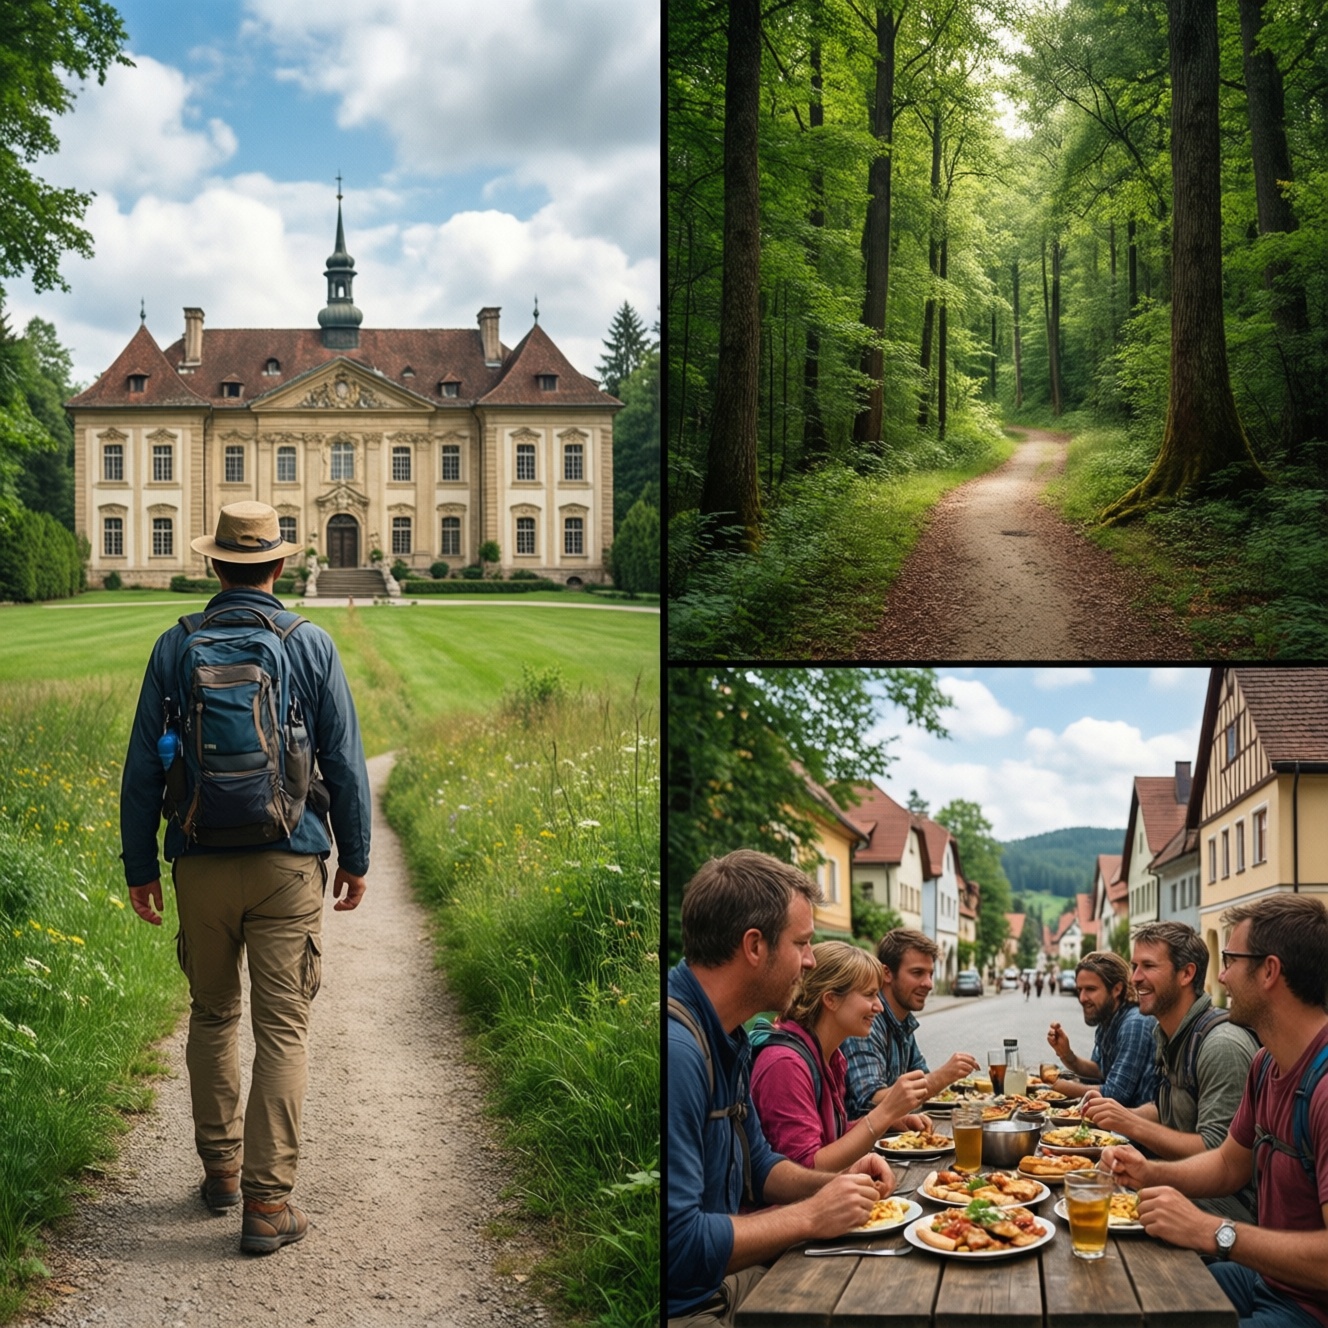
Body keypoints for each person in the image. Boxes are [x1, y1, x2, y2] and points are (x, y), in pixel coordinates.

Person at [120, 501, 371, 1256]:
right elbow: (345, 764)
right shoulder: (309, 642)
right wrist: (354, 857)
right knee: (282, 1027)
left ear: (212, 564)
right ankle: (267, 1204)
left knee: (211, 1016)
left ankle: (222, 1171)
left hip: (197, 859)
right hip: (286, 858)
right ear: (280, 565)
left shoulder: (175, 644)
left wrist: (140, 867)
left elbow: (140, 770)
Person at [667, 851, 895, 1327]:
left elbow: (762, 1165)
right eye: (803, 944)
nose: (810, 961)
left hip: (721, 1281)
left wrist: (841, 1184)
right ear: (755, 946)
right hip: (692, 1305)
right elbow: (677, 1249)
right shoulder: (680, 1052)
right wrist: (812, 1216)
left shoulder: (729, 1038)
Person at [1102, 895, 1328, 1328]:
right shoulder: (1266, 1064)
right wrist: (1148, 1173)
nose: (1220, 975)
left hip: (1310, 1308)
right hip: (1268, 1280)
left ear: (1269, 971)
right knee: (1127, 1299)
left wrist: (1213, 1231)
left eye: (1230, 960)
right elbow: (1227, 1163)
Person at [1081, 921, 1257, 1223]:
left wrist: (1131, 1124)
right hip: (1185, 1187)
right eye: (1135, 966)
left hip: (1226, 1210)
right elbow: (1165, 1109)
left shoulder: (1221, 1045)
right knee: (1083, 1189)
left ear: (1187, 974)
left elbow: (1217, 1153)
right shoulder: (1170, 1033)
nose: (1136, 978)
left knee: (1090, 1207)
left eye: (1148, 966)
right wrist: (1111, 1114)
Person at [749, 941, 929, 1170]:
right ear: (831, 999)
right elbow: (806, 1168)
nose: (879, 1007)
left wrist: (891, 1122)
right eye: (869, 995)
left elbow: (830, 1135)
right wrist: (885, 1112)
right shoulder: (786, 1065)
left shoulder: (829, 1056)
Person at [843, 928, 980, 1122]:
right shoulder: (867, 1021)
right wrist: (942, 1076)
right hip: (868, 1149)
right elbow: (871, 1101)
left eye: (930, 974)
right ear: (887, 973)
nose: (929, 983)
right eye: (917, 973)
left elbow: (921, 1080)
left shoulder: (903, 1021)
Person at [1047, 950, 1159, 1107]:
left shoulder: (1134, 1023)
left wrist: (1056, 1085)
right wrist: (1066, 1054)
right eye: (1080, 990)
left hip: (1135, 1125)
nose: (1082, 998)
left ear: (1116, 990)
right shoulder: (1108, 1017)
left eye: (1091, 989)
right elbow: (1099, 1071)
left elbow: (1115, 1094)